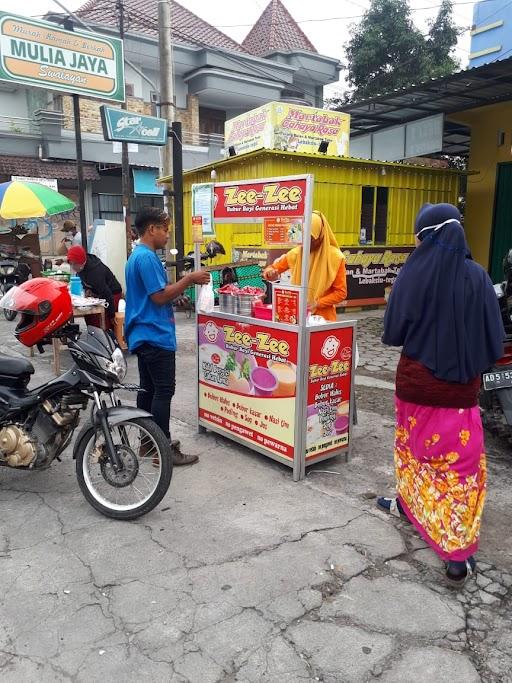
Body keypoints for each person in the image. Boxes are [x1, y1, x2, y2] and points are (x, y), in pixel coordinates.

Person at [377, 203, 504, 586]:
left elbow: (392, 333)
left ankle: (406, 503)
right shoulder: (478, 277)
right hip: (460, 395)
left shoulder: (412, 276)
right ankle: (457, 555)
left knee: (413, 453)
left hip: (415, 387)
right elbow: (494, 342)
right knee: (459, 469)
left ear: (427, 236)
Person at [125, 207, 210, 466]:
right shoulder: (147, 258)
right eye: (165, 230)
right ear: (152, 229)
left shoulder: (136, 256)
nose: (167, 235)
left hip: (143, 333)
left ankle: (148, 444)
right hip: (154, 335)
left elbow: (158, 296)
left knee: (148, 390)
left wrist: (176, 296)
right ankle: (162, 450)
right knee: (163, 391)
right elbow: (158, 296)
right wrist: (189, 280)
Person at [263, 211, 347, 321]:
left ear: (320, 236)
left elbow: (341, 293)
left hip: (322, 319)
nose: (305, 243)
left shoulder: (335, 257)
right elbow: (272, 269)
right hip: (296, 316)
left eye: (310, 238)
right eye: (302, 238)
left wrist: (317, 303)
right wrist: (270, 274)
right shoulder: (296, 253)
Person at [67, 245, 123, 330]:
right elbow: (86, 283)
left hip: (112, 293)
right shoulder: (80, 268)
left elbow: (108, 294)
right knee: (89, 317)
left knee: (103, 322)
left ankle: (107, 339)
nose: (73, 266)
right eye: (71, 264)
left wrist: (112, 315)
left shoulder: (95, 272)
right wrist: (88, 289)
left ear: (82, 262)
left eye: (75, 264)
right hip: (98, 293)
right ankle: (92, 335)